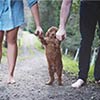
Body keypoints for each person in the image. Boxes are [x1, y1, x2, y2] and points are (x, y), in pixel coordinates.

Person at [56, 0, 100, 88]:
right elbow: (66, 2)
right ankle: (82, 77)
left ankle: (99, 75)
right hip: (87, 5)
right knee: (86, 40)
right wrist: (62, 27)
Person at [0, 0, 43, 84]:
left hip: (14, 9)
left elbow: (32, 1)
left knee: (11, 40)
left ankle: (10, 75)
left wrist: (38, 25)